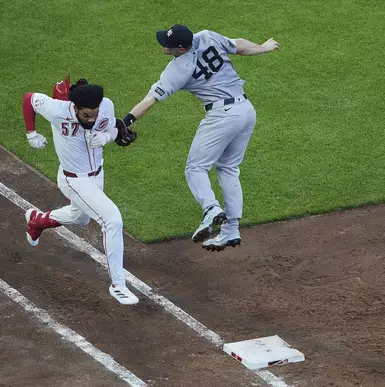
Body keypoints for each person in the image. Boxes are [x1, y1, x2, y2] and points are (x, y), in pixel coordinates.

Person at [121, 24, 280, 251]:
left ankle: (211, 209)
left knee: (195, 168)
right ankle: (231, 229)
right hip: (246, 110)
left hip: (222, 116)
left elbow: (150, 100)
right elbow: (239, 46)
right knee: (228, 168)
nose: (163, 48)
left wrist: (125, 121)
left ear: (182, 49)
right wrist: (264, 47)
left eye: (168, 46)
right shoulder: (207, 36)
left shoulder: (177, 69)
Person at [21, 75, 138, 305]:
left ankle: (37, 221)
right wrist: (31, 132)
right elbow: (29, 99)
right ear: (74, 107)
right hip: (73, 180)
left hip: (97, 175)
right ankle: (118, 285)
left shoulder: (105, 105)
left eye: (94, 114)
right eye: (86, 115)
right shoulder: (57, 109)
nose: (91, 119)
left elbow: (113, 126)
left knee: (80, 217)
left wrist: (107, 136)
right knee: (112, 219)